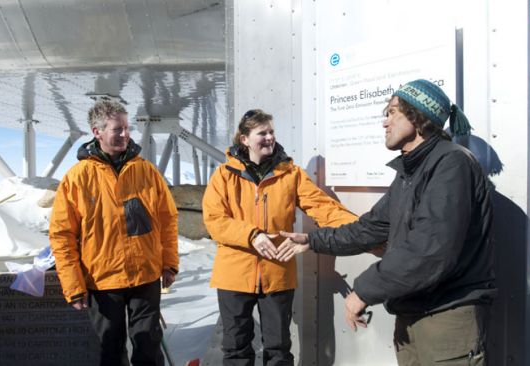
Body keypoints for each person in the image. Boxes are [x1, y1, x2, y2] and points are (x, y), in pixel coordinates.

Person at [278, 79, 496, 365]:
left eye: (393, 112)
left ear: (418, 118)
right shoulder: (413, 170)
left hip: (446, 316)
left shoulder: (451, 164)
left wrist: (363, 290)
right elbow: (370, 228)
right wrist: (312, 240)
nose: (385, 122)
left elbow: (429, 250)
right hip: (413, 310)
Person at [202, 109, 357, 366]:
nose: (269, 137)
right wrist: (251, 235)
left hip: (277, 272)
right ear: (244, 139)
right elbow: (215, 221)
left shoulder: (291, 174)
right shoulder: (224, 175)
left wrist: (361, 229)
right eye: (262, 133)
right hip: (234, 275)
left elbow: (323, 207)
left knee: (278, 349)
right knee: (236, 348)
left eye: (271, 132)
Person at [49, 100, 179, 366]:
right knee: (111, 349)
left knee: (148, 347)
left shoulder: (146, 171)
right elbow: (62, 235)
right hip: (102, 281)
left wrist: (169, 264)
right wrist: (73, 286)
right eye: (117, 129)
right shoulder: (77, 178)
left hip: (145, 275)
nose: (124, 134)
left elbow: (167, 220)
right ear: (97, 132)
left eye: (126, 128)